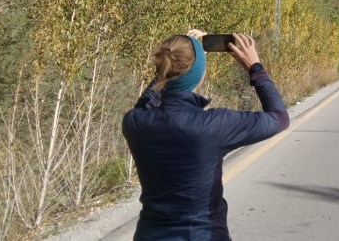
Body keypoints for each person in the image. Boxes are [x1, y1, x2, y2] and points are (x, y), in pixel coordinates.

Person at [122, 30, 289, 241]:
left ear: (163, 69)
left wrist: (172, 61)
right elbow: (279, 118)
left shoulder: (134, 122)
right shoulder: (214, 125)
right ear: (199, 73)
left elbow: (149, 98)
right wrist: (254, 67)